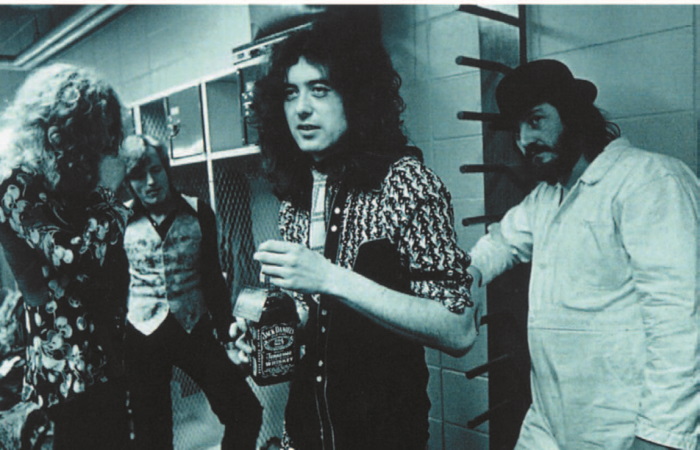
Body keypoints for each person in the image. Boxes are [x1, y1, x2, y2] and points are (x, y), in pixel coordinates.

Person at [232, 14, 479, 449]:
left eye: (319, 89)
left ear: (357, 96)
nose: (301, 108)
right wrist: (266, 335)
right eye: (290, 93)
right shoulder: (296, 197)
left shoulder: (406, 185)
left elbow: (458, 328)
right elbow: (313, 318)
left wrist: (330, 276)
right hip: (306, 432)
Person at [469, 59, 699, 450]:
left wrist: (661, 435)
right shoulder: (547, 198)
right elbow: (501, 243)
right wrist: (471, 274)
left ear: (573, 114)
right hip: (549, 421)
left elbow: (681, 318)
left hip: (624, 427)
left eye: (536, 120)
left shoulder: (649, 180)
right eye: (517, 129)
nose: (524, 140)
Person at [0, 63, 131, 449]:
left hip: (101, 349)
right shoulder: (16, 184)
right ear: (60, 134)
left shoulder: (62, 182)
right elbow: (72, 256)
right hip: (65, 360)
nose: (98, 155)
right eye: (93, 142)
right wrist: (111, 196)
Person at [120, 134, 262, 450]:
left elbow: (212, 278)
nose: (150, 182)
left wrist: (227, 333)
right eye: (138, 175)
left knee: (246, 411)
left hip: (192, 328)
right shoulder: (120, 220)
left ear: (166, 168)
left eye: (155, 170)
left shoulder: (197, 210)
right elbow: (115, 287)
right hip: (142, 335)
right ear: (128, 181)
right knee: (152, 438)